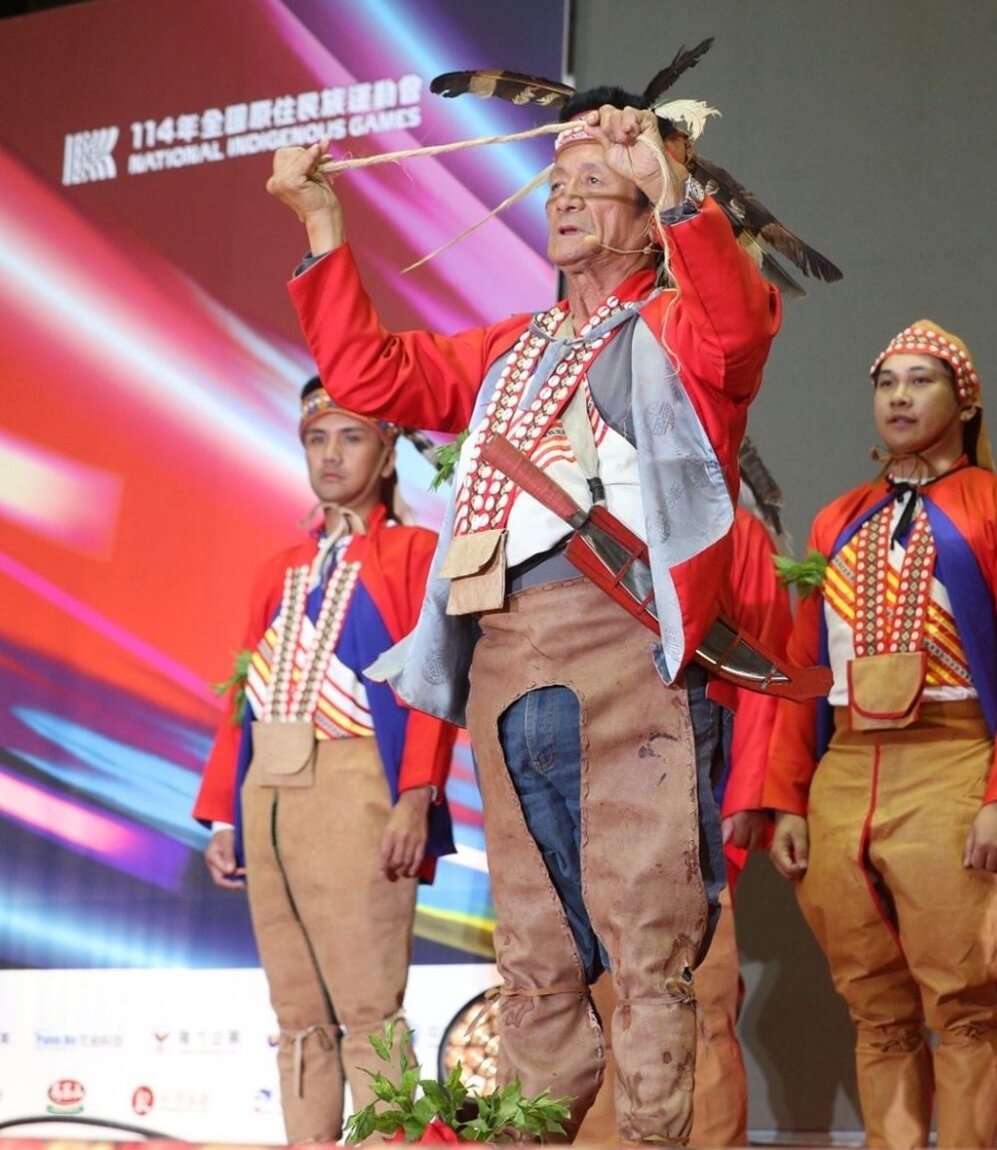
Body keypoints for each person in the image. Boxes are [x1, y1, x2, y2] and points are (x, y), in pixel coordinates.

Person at [265, 82, 781, 1144]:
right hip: (505, 667)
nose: (569, 199)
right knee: (537, 956)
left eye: (600, 184)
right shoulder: (511, 346)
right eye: (560, 182)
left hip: (623, 655)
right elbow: (368, 372)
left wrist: (677, 191)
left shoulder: (680, 329)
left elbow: (739, 329)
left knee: (645, 951)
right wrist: (323, 225)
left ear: (646, 213)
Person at [762, 321, 997, 1150]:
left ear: (965, 400)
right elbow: (802, 665)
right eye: (886, 381)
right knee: (873, 1008)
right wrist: (786, 799)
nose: (897, 396)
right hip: (847, 765)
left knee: (960, 1006)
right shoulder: (836, 520)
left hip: (953, 758)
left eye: (920, 380)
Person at [194, 378, 456, 1144]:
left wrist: (416, 797)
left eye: (351, 437)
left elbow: (435, 685)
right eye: (317, 438)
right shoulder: (277, 568)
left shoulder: (412, 554)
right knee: (297, 1013)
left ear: (384, 453)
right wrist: (221, 814)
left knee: (368, 1004)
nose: (332, 455)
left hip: (357, 787)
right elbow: (243, 691)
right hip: (267, 793)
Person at [575, 506, 791, 1148]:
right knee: (590, 1006)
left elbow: (764, 659)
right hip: (582, 795)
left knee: (692, 1005)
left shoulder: (724, 525)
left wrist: (749, 791)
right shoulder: (565, 524)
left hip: (686, 796)